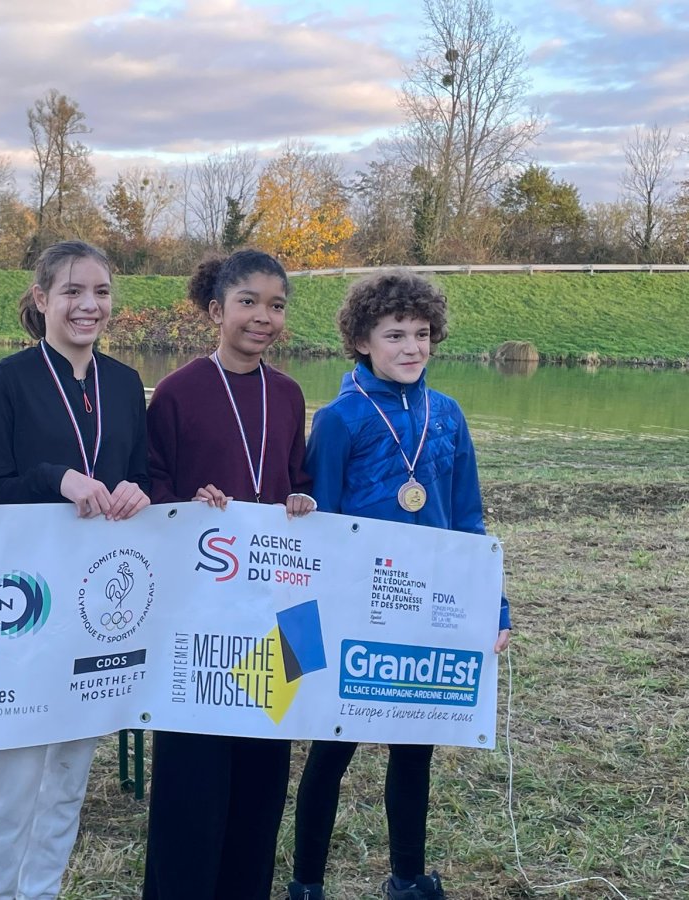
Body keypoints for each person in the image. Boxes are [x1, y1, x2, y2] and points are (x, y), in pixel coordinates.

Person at [285, 270, 512, 900]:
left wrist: (493, 607)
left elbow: (467, 520)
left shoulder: (449, 415)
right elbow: (321, 527)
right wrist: (310, 624)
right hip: (356, 608)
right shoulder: (340, 419)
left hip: (426, 608)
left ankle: (408, 879)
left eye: (422, 333)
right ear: (362, 340)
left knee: (415, 749)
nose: (412, 347)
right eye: (395, 335)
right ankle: (307, 883)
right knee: (332, 749)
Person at [0, 240, 150, 900]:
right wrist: (58, 479)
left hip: (99, 603)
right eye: (72, 291)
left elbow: (142, 475)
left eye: (100, 292)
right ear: (42, 299)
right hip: (29, 600)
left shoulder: (125, 383)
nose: (88, 305)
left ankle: (40, 891)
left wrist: (139, 491)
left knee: (70, 771)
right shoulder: (10, 378)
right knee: (13, 770)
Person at [141, 249, 317, 900]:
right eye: (248, 302)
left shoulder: (290, 394)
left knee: (263, 778)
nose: (263, 317)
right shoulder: (178, 391)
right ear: (216, 310)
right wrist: (187, 506)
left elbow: (298, 482)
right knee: (192, 779)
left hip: (280, 610)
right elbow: (153, 491)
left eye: (276, 305)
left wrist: (302, 501)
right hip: (200, 611)